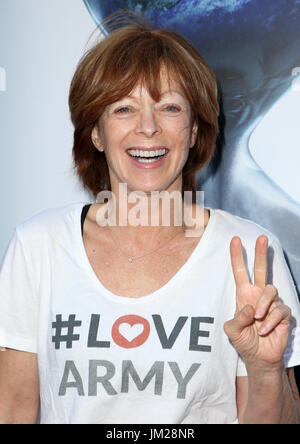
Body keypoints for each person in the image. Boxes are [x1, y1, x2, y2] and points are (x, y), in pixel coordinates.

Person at [0, 14, 300, 425]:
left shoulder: (252, 253)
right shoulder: (38, 245)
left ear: (194, 130)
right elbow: (12, 411)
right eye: (124, 108)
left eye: (170, 107)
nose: (148, 127)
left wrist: (266, 371)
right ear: (96, 133)